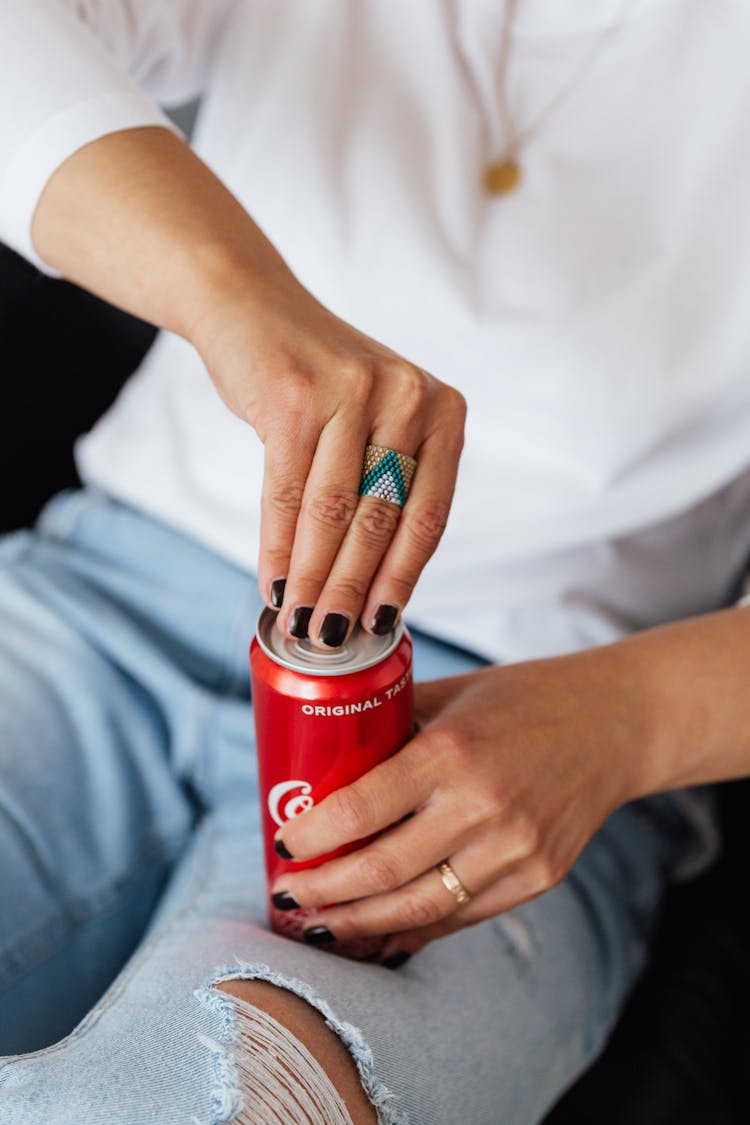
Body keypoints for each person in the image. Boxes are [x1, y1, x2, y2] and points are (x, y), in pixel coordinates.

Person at [1, 1, 749, 1122]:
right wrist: (235, 297)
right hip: (107, 601)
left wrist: (626, 719)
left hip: (535, 728)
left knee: (243, 1101)